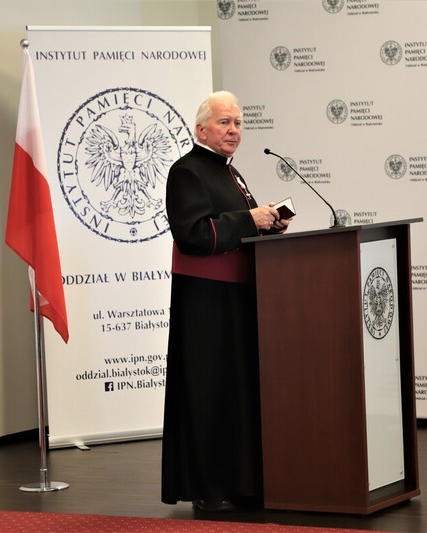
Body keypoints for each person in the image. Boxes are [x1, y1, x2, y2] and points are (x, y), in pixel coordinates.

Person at [161, 91, 290, 512]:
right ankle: (209, 487)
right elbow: (194, 234)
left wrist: (269, 222)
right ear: (201, 130)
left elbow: (240, 227)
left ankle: (242, 483)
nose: (234, 130)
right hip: (205, 302)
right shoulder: (187, 172)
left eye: (237, 123)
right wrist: (248, 219)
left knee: (237, 392)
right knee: (209, 393)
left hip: (239, 298)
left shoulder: (232, 173)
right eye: (224, 122)